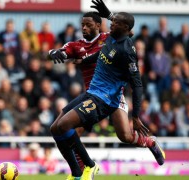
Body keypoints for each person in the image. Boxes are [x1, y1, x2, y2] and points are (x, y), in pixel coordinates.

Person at [49, 1, 165, 179]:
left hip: (110, 96)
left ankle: (148, 142)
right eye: (82, 25)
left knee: (124, 135)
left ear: (97, 25)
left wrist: (136, 116)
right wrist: (55, 53)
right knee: (60, 128)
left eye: (88, 25)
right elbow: (62, 52)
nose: (84, 28)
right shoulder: (83, 43)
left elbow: (128, 34)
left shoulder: (112, 39)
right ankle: (79, 173)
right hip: (91, 93)